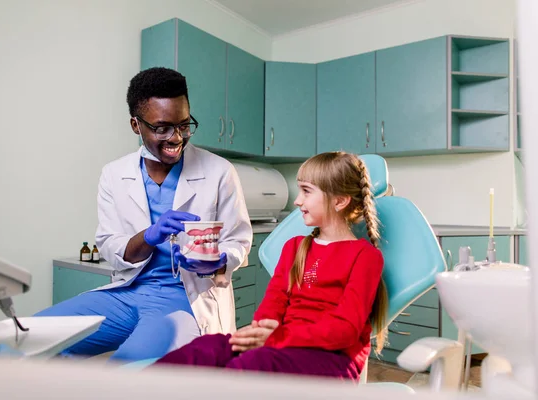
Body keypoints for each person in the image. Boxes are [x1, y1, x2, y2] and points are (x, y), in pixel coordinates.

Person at [35, 67, 252, 364]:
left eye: (184, 125)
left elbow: (238, 242)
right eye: (162, 128)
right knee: (29, 337)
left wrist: (216, 259)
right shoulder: (114, 174)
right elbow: (111, 245)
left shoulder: (219, 171)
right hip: (128, 291)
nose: (177, 138)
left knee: (125, 370)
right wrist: (148, 237)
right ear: (136, 125)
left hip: (185, 299)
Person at [153, 151, 388, 381]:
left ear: (339, 201)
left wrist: (276, 337)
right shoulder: (295, 247)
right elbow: (274, 302)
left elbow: (344, 330)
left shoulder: (366, 256)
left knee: (251, 365)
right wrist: (259, 332)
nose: (297, 200)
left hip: (334, 358)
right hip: (282, 344)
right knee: (206, 348)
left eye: (306, 191)